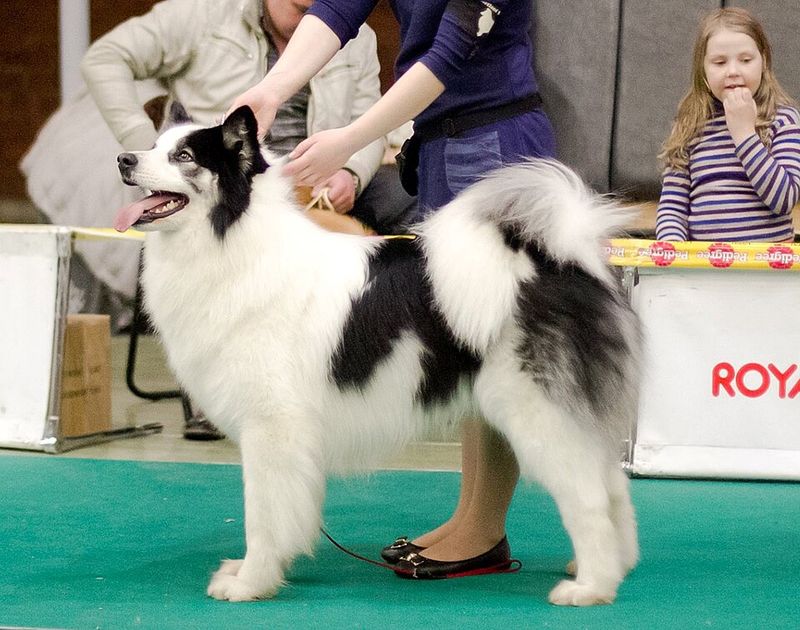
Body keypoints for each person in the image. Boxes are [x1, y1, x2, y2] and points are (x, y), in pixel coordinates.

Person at [229, 0, 556, 578]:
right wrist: (272, 90)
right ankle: (474, 521)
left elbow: (451, 52)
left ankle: (485, 529)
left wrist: (351, 140)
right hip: (444, 146)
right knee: (466, 356)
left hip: (493, 146)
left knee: (503, 355)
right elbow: (337, 7)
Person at [69, 0, 412, 439]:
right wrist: (158, 152)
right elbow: (104, 58)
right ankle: (216, 383)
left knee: (407, 194)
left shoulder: (357, 36)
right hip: (227, 196)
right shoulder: (197, 15)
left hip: (316, 188)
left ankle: (382, 368)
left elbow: (368, 120)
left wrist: (352, 172)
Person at [655, 7, 800, 243]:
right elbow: (673, 208)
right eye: (720, 62)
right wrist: (673, 253)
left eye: (745, 60)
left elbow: (784, 200)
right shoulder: (691, 125)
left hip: (768, 269)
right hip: (705, 270)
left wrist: (745, 135)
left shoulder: (783, 119)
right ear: (703, 72)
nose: (733, 71)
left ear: (763, 62)